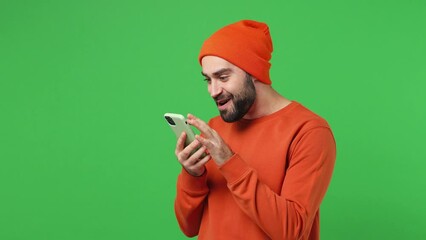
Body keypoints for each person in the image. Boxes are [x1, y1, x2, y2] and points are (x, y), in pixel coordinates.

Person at [173, 20, 336, 240]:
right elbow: (189, 227)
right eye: (208, 80)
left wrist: (229, 163)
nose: (213, 91)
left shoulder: (309, 131)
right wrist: (193, 175)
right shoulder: (214, 130)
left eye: (223, 77)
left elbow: (292, 231)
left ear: (253, 72)